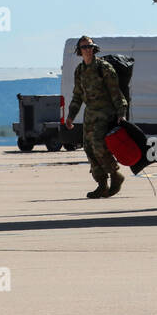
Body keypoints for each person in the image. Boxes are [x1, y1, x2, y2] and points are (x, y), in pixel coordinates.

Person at [66, 36, 128, 198]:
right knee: (88, 148)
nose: (87, 49)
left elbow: (116, 92)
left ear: (94, 48)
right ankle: (101, 184)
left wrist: (121, 113)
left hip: (105, 112)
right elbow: (77, 96)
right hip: (90, 114)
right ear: (79, 51)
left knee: (99, 146)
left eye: (90, 46)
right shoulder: (79, 70)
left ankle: (115, 175)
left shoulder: (104, 68)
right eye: (84, 47)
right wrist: (71, 116)